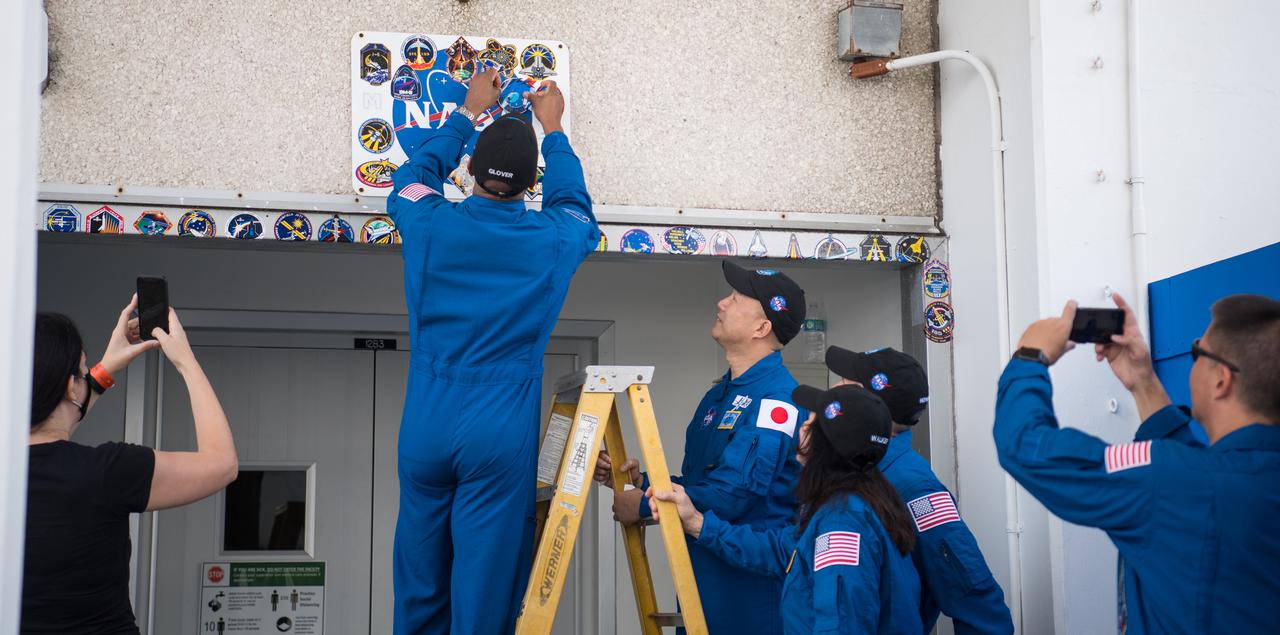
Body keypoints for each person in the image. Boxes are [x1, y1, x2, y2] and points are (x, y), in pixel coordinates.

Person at [386, 68, 600, 634]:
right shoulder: (553, 237)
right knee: (483, 590)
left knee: (418, 578)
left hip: (426, 422)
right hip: (500, 429)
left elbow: (410, 178)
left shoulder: (428, 220)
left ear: (470, 171)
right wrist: (552, 129)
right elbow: (577, 208)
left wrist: (464, 112)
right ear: (533, 182)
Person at [995, 292, 1280, 633]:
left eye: (1197, 352)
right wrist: (1143, 382)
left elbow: (1025, 444)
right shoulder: (1224, 481)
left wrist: (1030, 357)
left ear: (1221, 379)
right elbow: (1198, 485)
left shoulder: (1174, 482)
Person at [595, 262, 808, 634]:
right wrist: (643, 480)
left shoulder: (776, 403)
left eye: (737, 298)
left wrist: (646, 504)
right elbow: (701, 482)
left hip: (749, 595)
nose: (723, 303)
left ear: (762, 328)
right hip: (701, 581)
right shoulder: (719, 394)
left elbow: (733, 493)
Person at [23, 298, 238, 633]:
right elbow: (222, 464)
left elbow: (51, 425)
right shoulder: (107, 472)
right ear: (69, 386)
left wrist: (103, 369)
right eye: (83, 370)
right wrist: (185, 361)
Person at [650, 384, 922, 634]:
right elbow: (781, 550)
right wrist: (698, 523)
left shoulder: (843, 522)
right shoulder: (846, 503)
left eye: (810, 423)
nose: (801, 428)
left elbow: (839, 623)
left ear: (827, 442)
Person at [825, 346, 1013, 634]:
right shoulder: (844, 467)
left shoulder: (913, 487)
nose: (835, 388)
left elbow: (975, 599)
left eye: (847, 382)